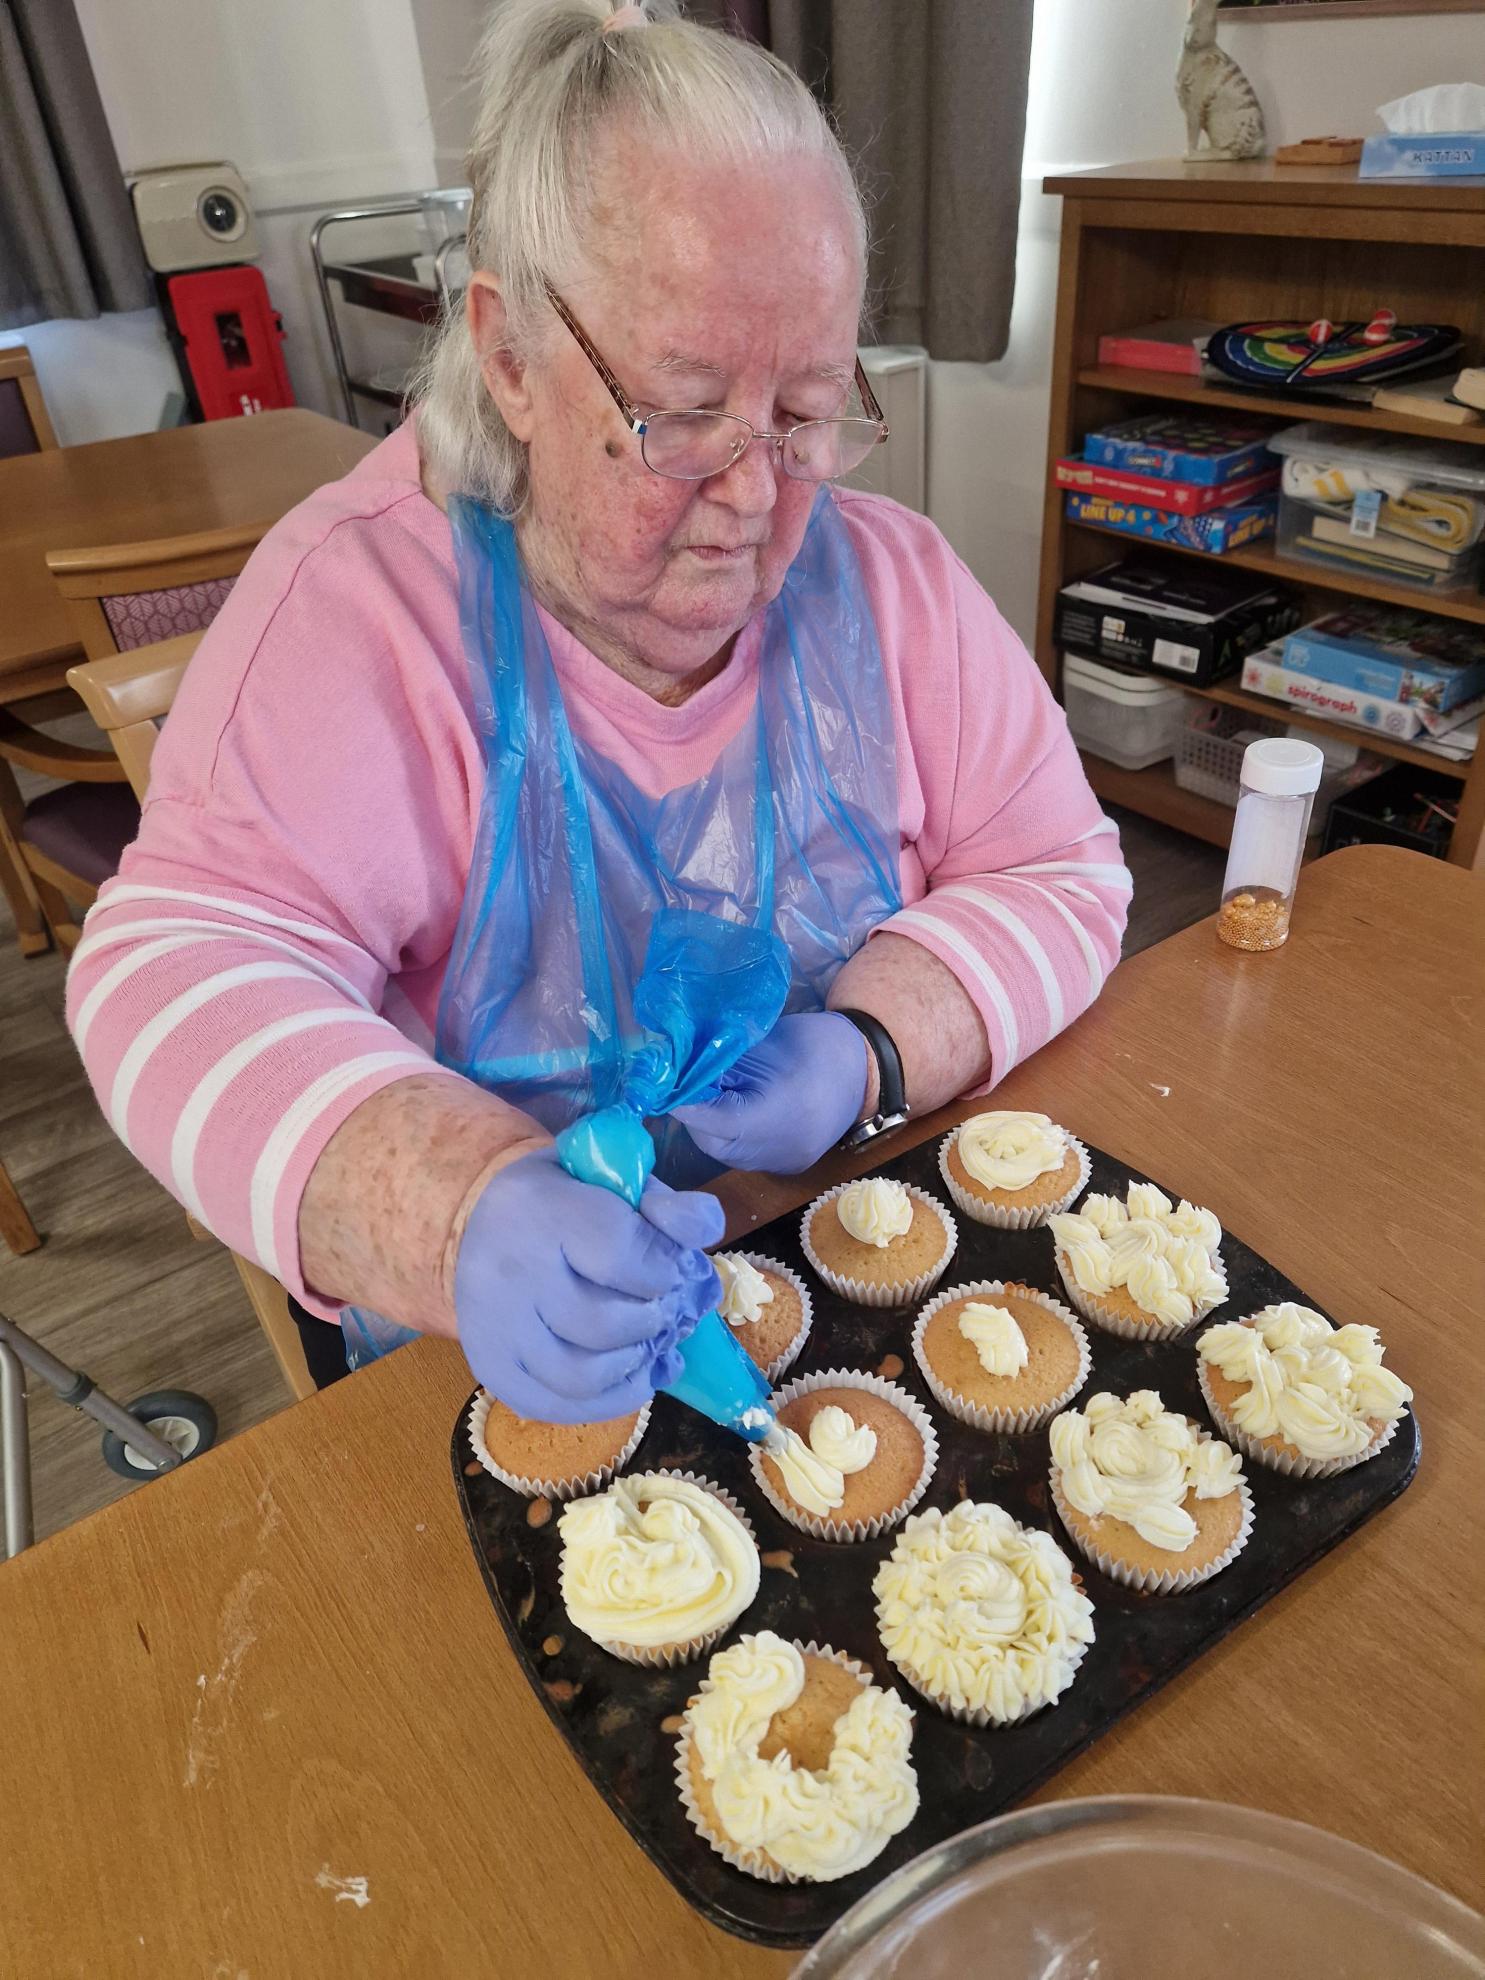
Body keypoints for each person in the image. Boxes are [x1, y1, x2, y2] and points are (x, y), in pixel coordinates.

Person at [67, 0, 1130, 1414]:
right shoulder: (363, 614)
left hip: (855, 1257)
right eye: (682, 410)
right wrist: (458, 1211)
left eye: (807, 409)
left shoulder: (892, 588)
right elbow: (169, 970)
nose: (757, 495)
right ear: (508, 357)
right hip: (526, 1367)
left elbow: (1059, 866)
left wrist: (870, 1047)